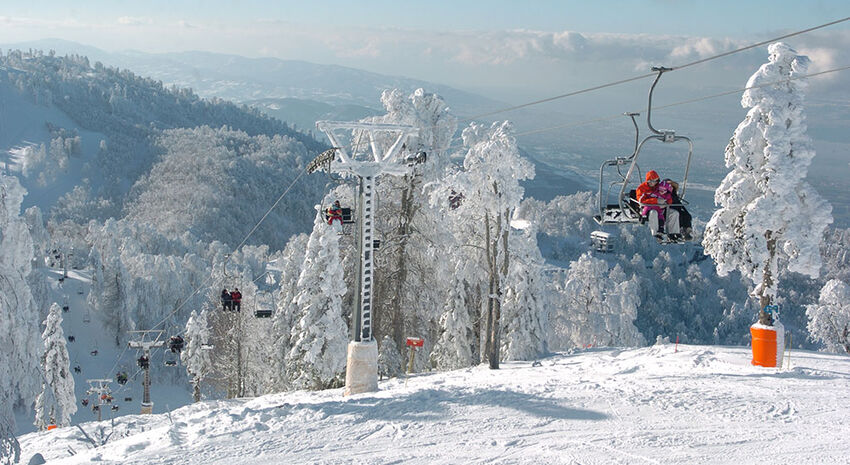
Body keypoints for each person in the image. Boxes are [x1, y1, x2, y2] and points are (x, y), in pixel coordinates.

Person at [636, 170, 681, 242]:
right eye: (650, 181)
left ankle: (673, 233)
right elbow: (641, 201)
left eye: (654, 181)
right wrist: (655, 201)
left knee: (674, 213)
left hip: (661, 208)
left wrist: (666, 202)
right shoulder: (642, 188)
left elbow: (667, 195)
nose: (652, 183)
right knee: (654, 213)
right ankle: (656, 233)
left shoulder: (659, 187)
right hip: (647, 208)